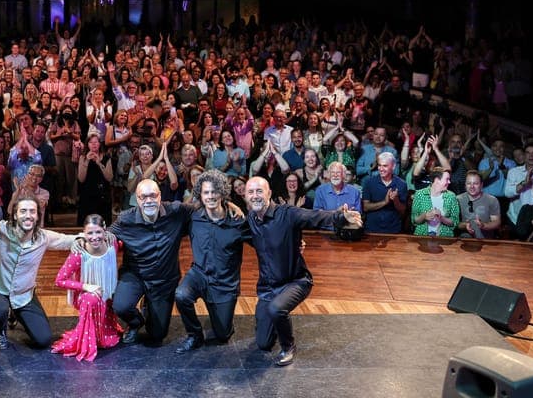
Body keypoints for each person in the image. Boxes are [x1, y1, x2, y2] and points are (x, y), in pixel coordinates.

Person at [244, 176, 361, 367]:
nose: (255, 196)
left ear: (269, 194)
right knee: (263, 344)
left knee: (276, 308)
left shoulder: (287, 214)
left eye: (259, 191)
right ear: (246, 197)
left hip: (296, 281)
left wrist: (340, 217)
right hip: (268, 287)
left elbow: (314, 217)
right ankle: (274, 321)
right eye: (251, 192)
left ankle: (288, 347)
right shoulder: (251, 220)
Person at [0, 193, 80, 350]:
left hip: (23, 295)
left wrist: (99, 235)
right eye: (23, 211)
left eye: (32, 211)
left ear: (37, 215)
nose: (28, 216)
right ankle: (1, 330)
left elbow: (68, 239)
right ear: (15, 214)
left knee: (44, 340)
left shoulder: (43, 237)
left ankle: (15, 312)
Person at [110, 179, 196, 346]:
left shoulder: (176, 211)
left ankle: (149, 306)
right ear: (137, 198)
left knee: (157, 334)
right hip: (135, 275)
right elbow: (102, 236)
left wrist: (230, 207)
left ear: (160, 196)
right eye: (143, 197)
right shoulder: (125, 220)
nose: (149, 200)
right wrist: (79, 240)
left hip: (164, 280)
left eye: (153, 196)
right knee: (121, 306)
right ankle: (136, 323)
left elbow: (203, 209)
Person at [173, 170, 247, 354]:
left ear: (222, 193)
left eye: (215, 192)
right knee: (181, 295)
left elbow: (263, 241)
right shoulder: (193, 216)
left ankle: (221, 320)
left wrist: (295, 244)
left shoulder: (237, 221)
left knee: (222, 335)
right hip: (199, 275)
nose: (211, 196)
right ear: (200, 195)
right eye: (206, 192)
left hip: (224, 283)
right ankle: (195, 335)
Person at [51, 214, 123, 361]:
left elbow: (125, 243)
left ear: (105, 231)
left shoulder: (112, 244)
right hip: (87, 295)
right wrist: (85, 286)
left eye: (98, 232)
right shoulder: (79, 253)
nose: (94, 237)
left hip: (108, 291)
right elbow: (59, 280)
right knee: (92, 299)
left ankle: (104, 330)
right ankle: (89, 338)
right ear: (83, 233)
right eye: (89, 233)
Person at [361, 152, 408, 234]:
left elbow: (403, 211)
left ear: (393, 166)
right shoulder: (369, 182)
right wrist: (385, 202)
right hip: (372, 229)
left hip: (393, 230)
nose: (381, 169)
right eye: (379, 165)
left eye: (385, 166)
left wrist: (395, 200)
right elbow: (365, 207)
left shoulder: (401, 184)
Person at [410, 168, 460, 237]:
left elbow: (455, 222)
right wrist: (424, 216)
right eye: (447, 179)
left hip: (444, 237)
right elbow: (414, 220)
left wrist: (441, 218)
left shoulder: (451, 196)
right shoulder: (419, 194)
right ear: (437, 180)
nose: (449, 182)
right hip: (422, 235)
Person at [456, 170, 501, 239]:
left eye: (475, 183)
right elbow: (454, 223)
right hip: (464, 241)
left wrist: (484, 226)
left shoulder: (492, 200)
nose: (472, 186)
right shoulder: (457, 199)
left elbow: (496, 222)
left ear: (481, 185)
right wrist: (465, 225)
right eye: (469, 183)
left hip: (486, 242)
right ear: (465, 185)